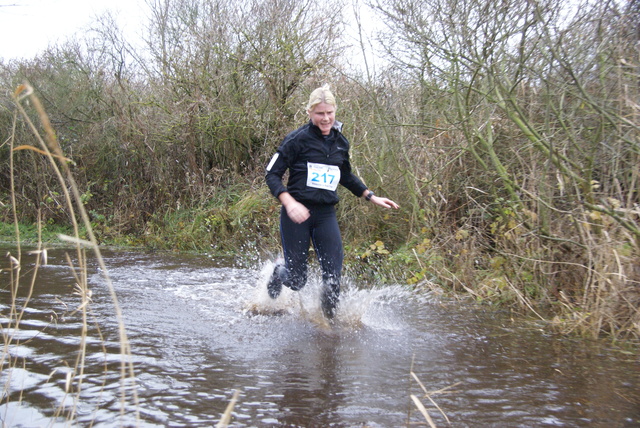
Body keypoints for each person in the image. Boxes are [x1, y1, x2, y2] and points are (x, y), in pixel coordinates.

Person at [265, 85, 399, 319]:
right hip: (297, 214)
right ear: (309, 112)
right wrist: (289, 202)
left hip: (325, 214)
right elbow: (271, 174)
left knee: (333, 278)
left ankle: (329, 329)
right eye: (320, 113)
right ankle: (279, 270)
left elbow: (344, 175)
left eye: (330, 113)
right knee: (296, 281)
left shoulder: (341, 142)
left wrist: (370, 195)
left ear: (335, 111)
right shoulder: (296, 140)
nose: (326, 118)